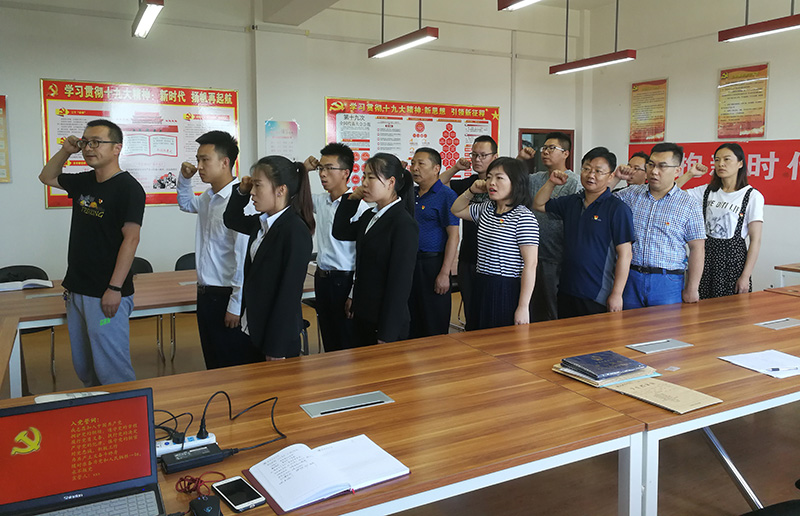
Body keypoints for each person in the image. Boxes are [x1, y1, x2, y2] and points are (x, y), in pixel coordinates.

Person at [38, 119, 145, 386]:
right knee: (85, 366)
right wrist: (66, 150)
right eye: (85, 142)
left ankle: (126, 411)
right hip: (76, 289)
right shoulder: (84, 181)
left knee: (112, 368)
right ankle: (99, 411)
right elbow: (46, 176)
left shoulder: (129, 188)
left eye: (96, 142)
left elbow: (131, 239)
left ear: (117, 148)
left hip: (106, 294)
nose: (88, 148)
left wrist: (115, 288)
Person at [176, 130, 262, 369]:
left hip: (227, 295)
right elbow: (186, 203)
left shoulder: (242, 201)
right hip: (206, 294)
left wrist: (235, 304)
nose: (199, 166)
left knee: (232, 364)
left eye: (205, 160)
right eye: (198, 160)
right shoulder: (209, 197)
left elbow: (243, 257)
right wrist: (184, 179)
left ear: (225, 162)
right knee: (213, 363)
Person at [223, 156, 314, 359]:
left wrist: (276, 349)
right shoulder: (262, 223)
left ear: (281, 190)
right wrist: (241, 191)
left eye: (258, 185)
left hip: (277, 338)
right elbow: (231, 219)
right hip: (254, 328)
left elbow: (288, 295)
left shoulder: (295, 231)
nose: (252, 192)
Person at [533, 147, 634, 318]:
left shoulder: (618, 209)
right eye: (586, 169)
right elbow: (539, 204)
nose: (590, 175)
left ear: (610, 176)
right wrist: (551, 182)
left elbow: (625, 255)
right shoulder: (572, 202)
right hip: (567, 288)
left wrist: (617, 294)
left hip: (597, 294)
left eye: (598, 171)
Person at [332, 153, 418, 347]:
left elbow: (400, 284)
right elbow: (340, 231)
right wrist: (352, 199)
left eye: (371, 177)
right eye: (364, 176)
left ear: (391, 182)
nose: (364, 183)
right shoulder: (370, 215)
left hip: (385, 323)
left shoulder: (403, 224)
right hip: (364, 313)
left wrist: (387, 332)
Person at [614, 142, 705, 308]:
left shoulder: (689, 204)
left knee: (664, 325)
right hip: (630, 277)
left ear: (677, 170)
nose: (654, 171)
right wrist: (616, 178)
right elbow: (600, 200)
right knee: (627, 324)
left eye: (662, 166)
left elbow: (697, 248)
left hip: (667, 281)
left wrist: (692, 288)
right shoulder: (631, 195)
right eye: (651, 165)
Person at [451, 157, 538, 329]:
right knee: (478, 332)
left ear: (516, 183)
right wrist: (471, 190)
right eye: (489, 177)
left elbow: (531, 264)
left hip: (506, 287)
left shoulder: (523, 217)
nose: (491, 182)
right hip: (481, 282)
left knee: (500, 339)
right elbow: (456, 210)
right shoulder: (486, 209)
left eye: (499, 178)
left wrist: (523, 306)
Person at [303, 143, 369, 352]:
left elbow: (364, 256)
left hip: (345, 280)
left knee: (346, 341)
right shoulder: (321, 201)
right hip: (322, 279)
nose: (322, 174)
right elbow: (292, 196)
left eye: (329, 168)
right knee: (329, 338)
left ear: (345, 173)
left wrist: (353, 292)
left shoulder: (360, 207)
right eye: (320, 168)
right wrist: (303, 170)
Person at [676, 143, 764, 299]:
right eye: (717, 160)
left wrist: (745, 276)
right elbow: (671, 192)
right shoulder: (707, 191)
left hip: (733, 262)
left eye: (726, 159)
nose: (720, 164)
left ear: (740, 163)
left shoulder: (751, 195)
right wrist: (690, 174)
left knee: (730, 309)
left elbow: (755, 240)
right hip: (705, 258)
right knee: (700, 307)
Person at [519, 131, 581, 321]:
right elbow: (511, 179)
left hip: (555, 256)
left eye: (551, 148)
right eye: (544, 148)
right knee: (530, 308)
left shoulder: (574, 183)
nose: (545, 152)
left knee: (552, 309)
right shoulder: (535, 178)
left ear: (566, 153)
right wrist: (521, 160)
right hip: (530, 254)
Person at [439, 135, 498, 327]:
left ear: (494, 157)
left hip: (493, 259)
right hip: (469, 256)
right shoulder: (469, 184)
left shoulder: (502, 185)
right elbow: (438, 184)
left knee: (490, 312)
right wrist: (456, 168)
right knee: (471, 311)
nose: (477, 159)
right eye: (474, 155)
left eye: (483, 155)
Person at [408, 147, 459, 337]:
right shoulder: (410, 194)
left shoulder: (446, 195)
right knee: (411, 320)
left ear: (436, 168)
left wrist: (445, 273)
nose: (415, 168)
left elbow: (454, 236)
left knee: (433, 322)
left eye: (421, 164)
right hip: (410, 263)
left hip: (433, 264)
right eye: (413, 163)